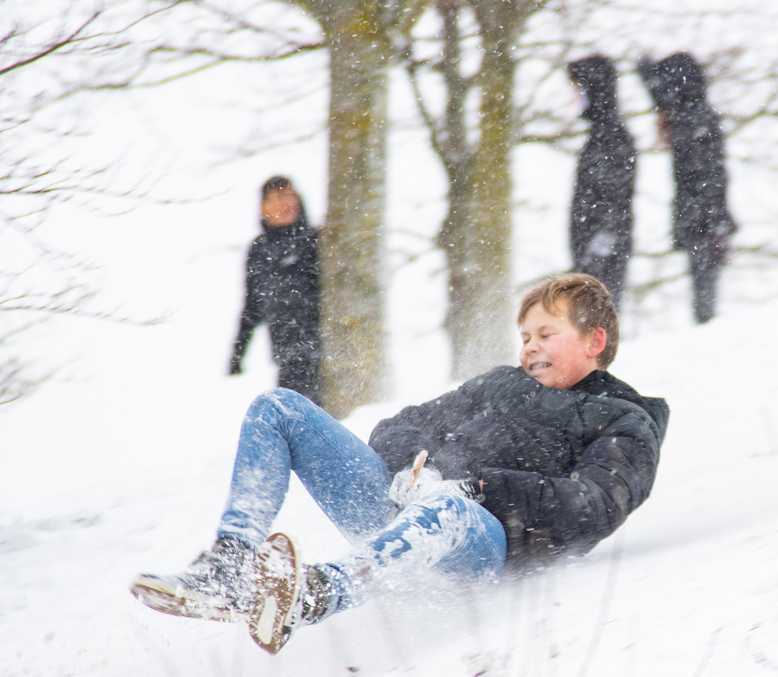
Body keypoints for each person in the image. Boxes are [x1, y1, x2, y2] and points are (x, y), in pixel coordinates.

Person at [131, 273, 669, 654]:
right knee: (279, 408)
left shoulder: (625, 422)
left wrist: (475, 487)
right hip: (401, 508)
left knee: (449, 507)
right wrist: (412, 468)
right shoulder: (501, 383)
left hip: (483, 542)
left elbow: (591, 506)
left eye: (546, 334)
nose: (529, 347)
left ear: (595, 340)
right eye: (525, 336)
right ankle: (229, 566)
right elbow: (401, 425)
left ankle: (316, 593)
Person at [637, 53, 737, 324]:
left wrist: (700, 220)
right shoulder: (696, 117)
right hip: (705, 221)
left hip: (704, 223)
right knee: (704, 297)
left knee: (704, 302)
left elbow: (707, 178)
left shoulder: (693, 120)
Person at [228, 176, 322, 405]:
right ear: (264, 207)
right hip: (288, 358)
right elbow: (252, 307)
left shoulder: (315, 240)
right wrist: (238, 354)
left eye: (290, 195)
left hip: (324, 353)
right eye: (278, 197)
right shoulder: (259, 250)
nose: (286, 203)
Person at [567, 55, 637, 309]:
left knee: (596, 332)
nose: (574, 97)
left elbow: (615, 196)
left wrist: (601, 241)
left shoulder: (612, 136)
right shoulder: (601, 135)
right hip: (593, 251)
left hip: (602, 253)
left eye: (578, 89)